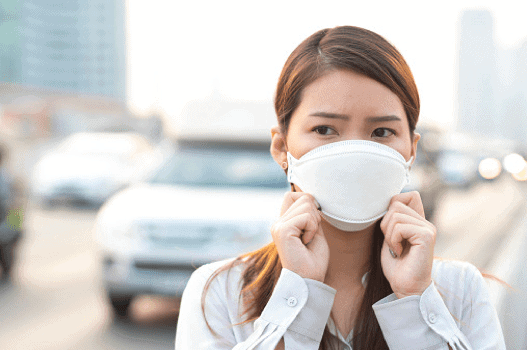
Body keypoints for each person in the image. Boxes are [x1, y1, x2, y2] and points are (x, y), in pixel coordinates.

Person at [175, 26, 505, 349]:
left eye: (381, 133)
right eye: (325, 129)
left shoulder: (461, 291)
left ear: (411, 149)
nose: (354, 154)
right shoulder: (219, 292)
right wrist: (298, 293)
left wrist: (414, 302)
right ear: (281, 148)